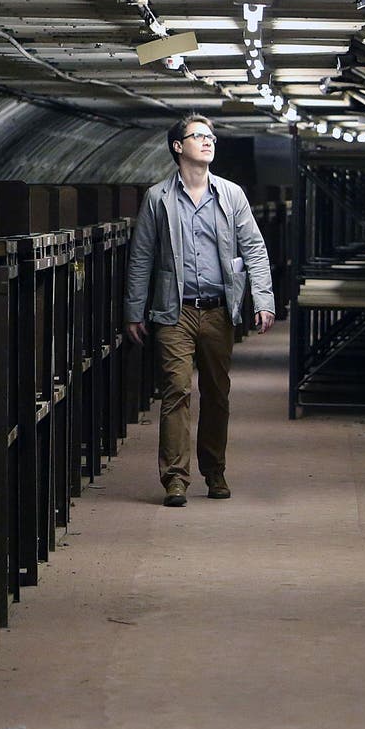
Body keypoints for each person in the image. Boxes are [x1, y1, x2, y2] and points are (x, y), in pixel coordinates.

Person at [124, 113, 276, 507]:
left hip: (218, 310)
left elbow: (254, 248)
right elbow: (141, 257)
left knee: (216, 392)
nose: (208, 142)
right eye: (198, 136)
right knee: (176, 389)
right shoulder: (158, 198)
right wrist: (134, 310)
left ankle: (215, 470)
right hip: (174, 312)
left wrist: (263, 299)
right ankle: (175, 478)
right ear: (178, 147)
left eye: (211, 136)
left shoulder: (231, 195)